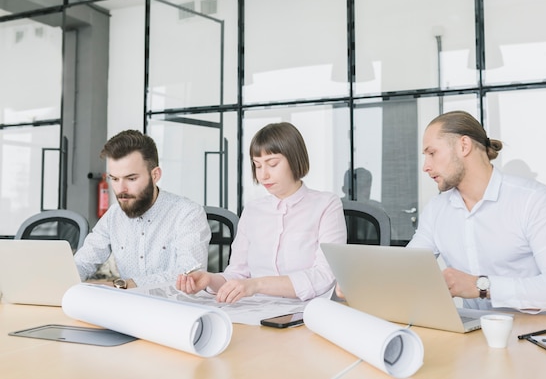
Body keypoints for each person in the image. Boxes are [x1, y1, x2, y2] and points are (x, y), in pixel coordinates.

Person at [408, 110, 546, 315]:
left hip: (533, 335)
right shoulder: (436, 209)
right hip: (472, 335)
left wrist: (481, 286)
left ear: (463, 146)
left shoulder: (534, 200)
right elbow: (408, 270)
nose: (425, 167)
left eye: (432, 153)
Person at [177, 122, 347, 303]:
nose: (263, 175)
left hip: (308, 311)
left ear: (295, 159)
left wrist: (256, 285)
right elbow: (237, 273)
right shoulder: (252, 210)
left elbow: (325, 275)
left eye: (272, 164)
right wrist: (209, 280)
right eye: (257, 166)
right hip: (256, 310)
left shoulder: (326, 205)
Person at [74, 130, 211, 288]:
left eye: (131, 178)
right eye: (115, 179)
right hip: (128, 308)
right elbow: (83, 262)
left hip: (175, 308)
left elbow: (189, 274)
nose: (121, 189)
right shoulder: (113, 215)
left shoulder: (188, 213)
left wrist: (125, 285)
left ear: (155, 175)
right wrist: (63, 279)